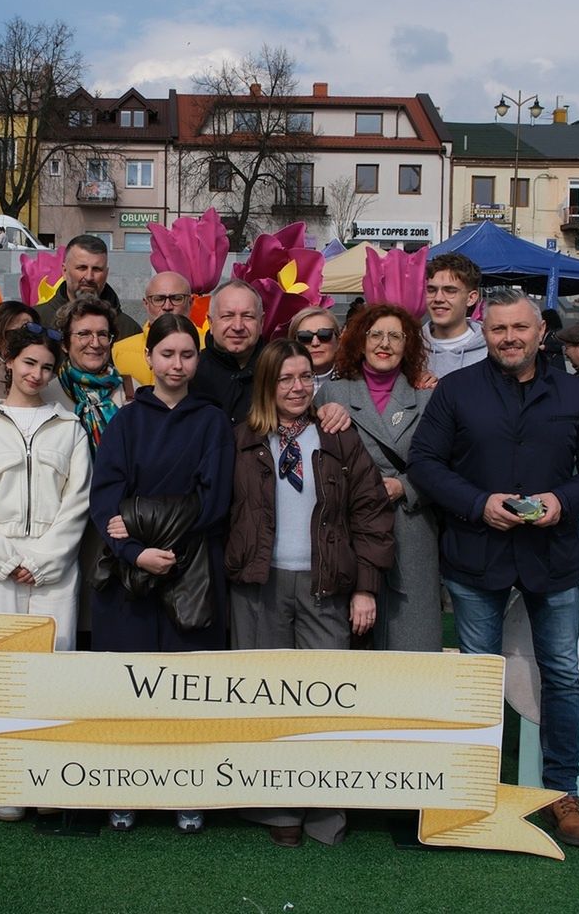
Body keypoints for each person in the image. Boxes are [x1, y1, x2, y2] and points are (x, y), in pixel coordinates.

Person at [406, 288, 579, 850]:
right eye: (498, 329)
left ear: (539, 332)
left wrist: (562, 501)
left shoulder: (573, 394)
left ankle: (562, 793)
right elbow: (425, 464)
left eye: (519, 328)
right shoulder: (457, 392)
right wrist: (478, 503)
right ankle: (475, 788)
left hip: (552, 557)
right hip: (478, 554)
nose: (509, 338)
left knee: (562, 674)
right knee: (479, 677)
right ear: (486, 332)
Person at [226, 340, 394, 847]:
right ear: (267, 386)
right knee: (268, 699)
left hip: (326, 586)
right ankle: (278, 810)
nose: (298, 388)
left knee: (325, 701)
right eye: (285, 379)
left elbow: (371, 515)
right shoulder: (242, 440)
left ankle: (325, 810)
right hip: (261, 585)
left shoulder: (338, 437)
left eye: (305, 377)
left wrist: (365, 588)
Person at [90, 313, 234, 834]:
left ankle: (188, 789)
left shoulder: (212, 421)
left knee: (189, 691)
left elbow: (214, 500)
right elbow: (105, 500)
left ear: (198, 359)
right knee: (129, 688)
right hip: (131, 579)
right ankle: (126, 787)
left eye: (187, 354)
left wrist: (152, 535)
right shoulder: (126, 421)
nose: (177, 364)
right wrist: (136, 555)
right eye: (167, 354)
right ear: (147, 358)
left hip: (192, 570)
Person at [0, 326, 92, 821]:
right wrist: (2, 560)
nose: (37, 375)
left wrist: (42, 561)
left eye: (47, 367)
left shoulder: (69, 427)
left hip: (52, 571)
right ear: (8, 361)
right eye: (29, 363)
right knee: (1, 676)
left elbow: (77, 504)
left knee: (53, 673)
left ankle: (49, 779)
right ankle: (8, 782)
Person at [315, 303, 441, 652]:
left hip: (410, 530)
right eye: (376, 335)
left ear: (408, 344)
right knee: (346, 645)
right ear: (360, 341)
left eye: (395, 336)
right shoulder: (333, 394)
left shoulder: (428, 396)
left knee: (410, 645)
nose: (384, 344)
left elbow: (446, 464)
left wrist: (406, 486)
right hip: (349, 530)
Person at [49, 297, 133, 447]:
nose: (95, 343)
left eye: (102, 334)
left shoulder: (132, 391)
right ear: (64, 344)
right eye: (84, 334)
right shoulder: (47, 395)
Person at [34, 235, 143, 338]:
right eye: (82, 268)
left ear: (106, 273)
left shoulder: (129, 331)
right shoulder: (37, 322)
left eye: (96, 269)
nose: (89, 277)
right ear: (64, 271)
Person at [190, 279, 265, 422]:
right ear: (210, 322)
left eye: (247, 316)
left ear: (261, 322)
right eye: (227, 316)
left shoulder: (278, 369)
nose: (238, 326)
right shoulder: (191, 371)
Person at [115, 270, 191, 386]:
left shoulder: (206, 348)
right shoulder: (118, 352)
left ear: (191, 302)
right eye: (159, 299)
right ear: (146, 304)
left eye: (176, 298)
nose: (167, 306)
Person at [422, 253, 486, 378]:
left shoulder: (492, 350)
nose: (438, 298)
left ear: (471, 298)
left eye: (450, 291)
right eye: (431, 290)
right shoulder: (410, 348)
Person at [287, 306, 340, 394]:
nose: (315, 343)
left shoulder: (358, 382)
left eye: (324, 335)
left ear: (338, 340)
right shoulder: (276, 384)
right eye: (305, 337)